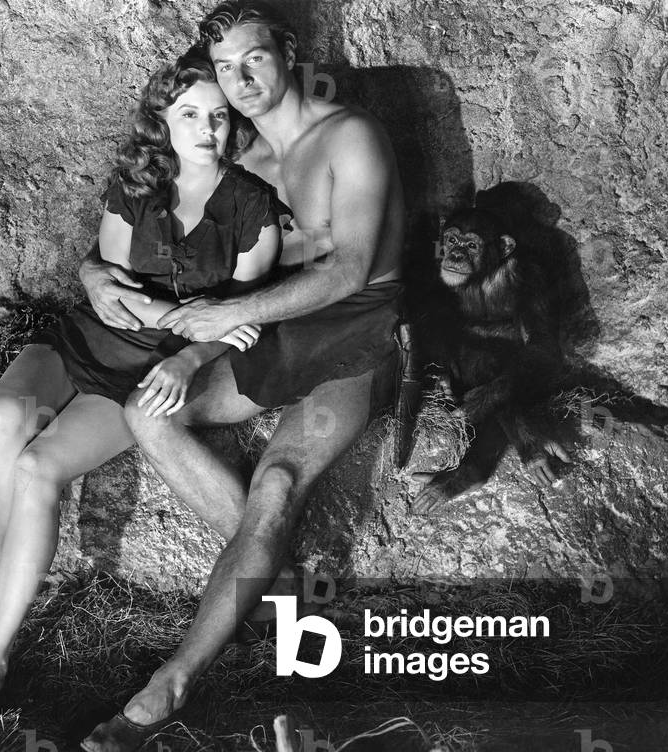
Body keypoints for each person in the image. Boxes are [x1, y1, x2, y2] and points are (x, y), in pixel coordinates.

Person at [78, 2, 407, 750]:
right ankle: (287, 600)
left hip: (357, 334)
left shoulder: (348, 135)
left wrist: (219, 323)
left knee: (278, 485)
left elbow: (350, 268)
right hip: (275, 333)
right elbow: (164, 245)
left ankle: (166, 690)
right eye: (225, 67)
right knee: (148, 413)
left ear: (288, 54)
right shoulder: (246, 162)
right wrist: (99, 276)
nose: (240, 79)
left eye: (253, 58)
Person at [0, 48, 287, 725]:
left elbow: (247, 318)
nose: (205, 129)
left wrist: (191, 331)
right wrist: (179, 309)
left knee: (37, 467)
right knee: (5, 413)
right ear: (164, 117)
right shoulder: (136, 182)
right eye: (189, 113)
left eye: (218, 115)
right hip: (82, 341)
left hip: (142, 372)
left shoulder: (251, 206)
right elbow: (108, 290)